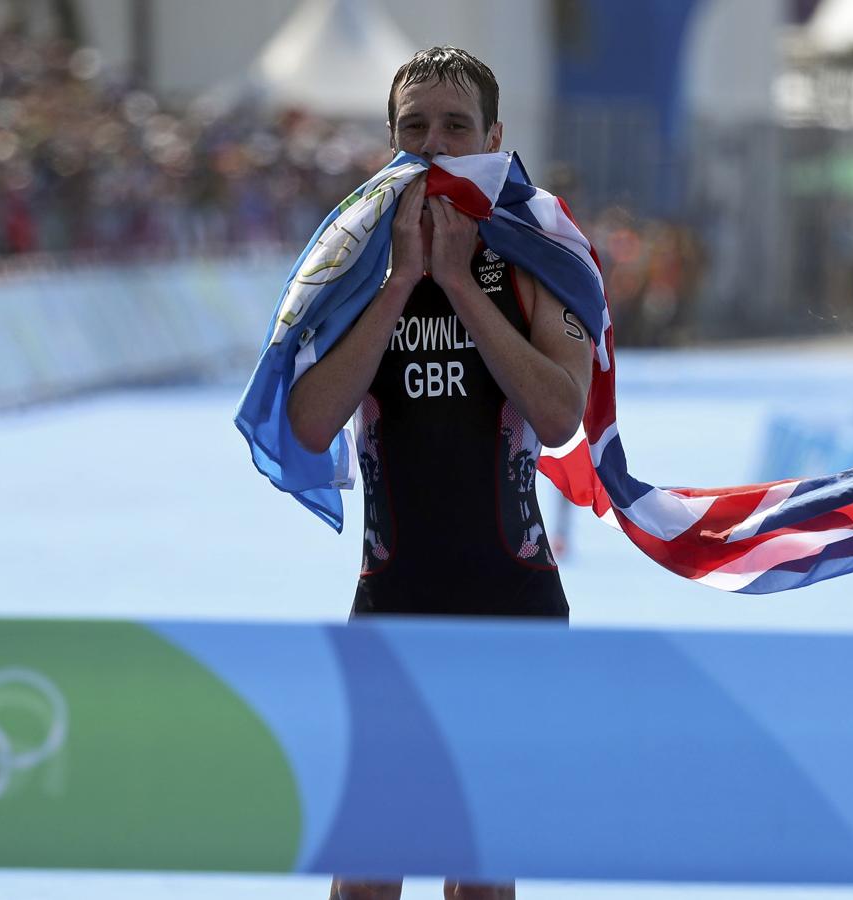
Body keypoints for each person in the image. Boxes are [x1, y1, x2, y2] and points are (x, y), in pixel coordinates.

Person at [285, 46, 593, 900]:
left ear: (494, 137)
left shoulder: (535, 250)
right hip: (392, 606)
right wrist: (399, 285)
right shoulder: (353, 257)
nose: (433, 144)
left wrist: (457, 283)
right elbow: (309, 425)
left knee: (481, 875)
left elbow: (560, 416)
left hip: (511, 605)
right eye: (414, 127)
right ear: (390, 138)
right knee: (367, 875)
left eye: (456, 126)